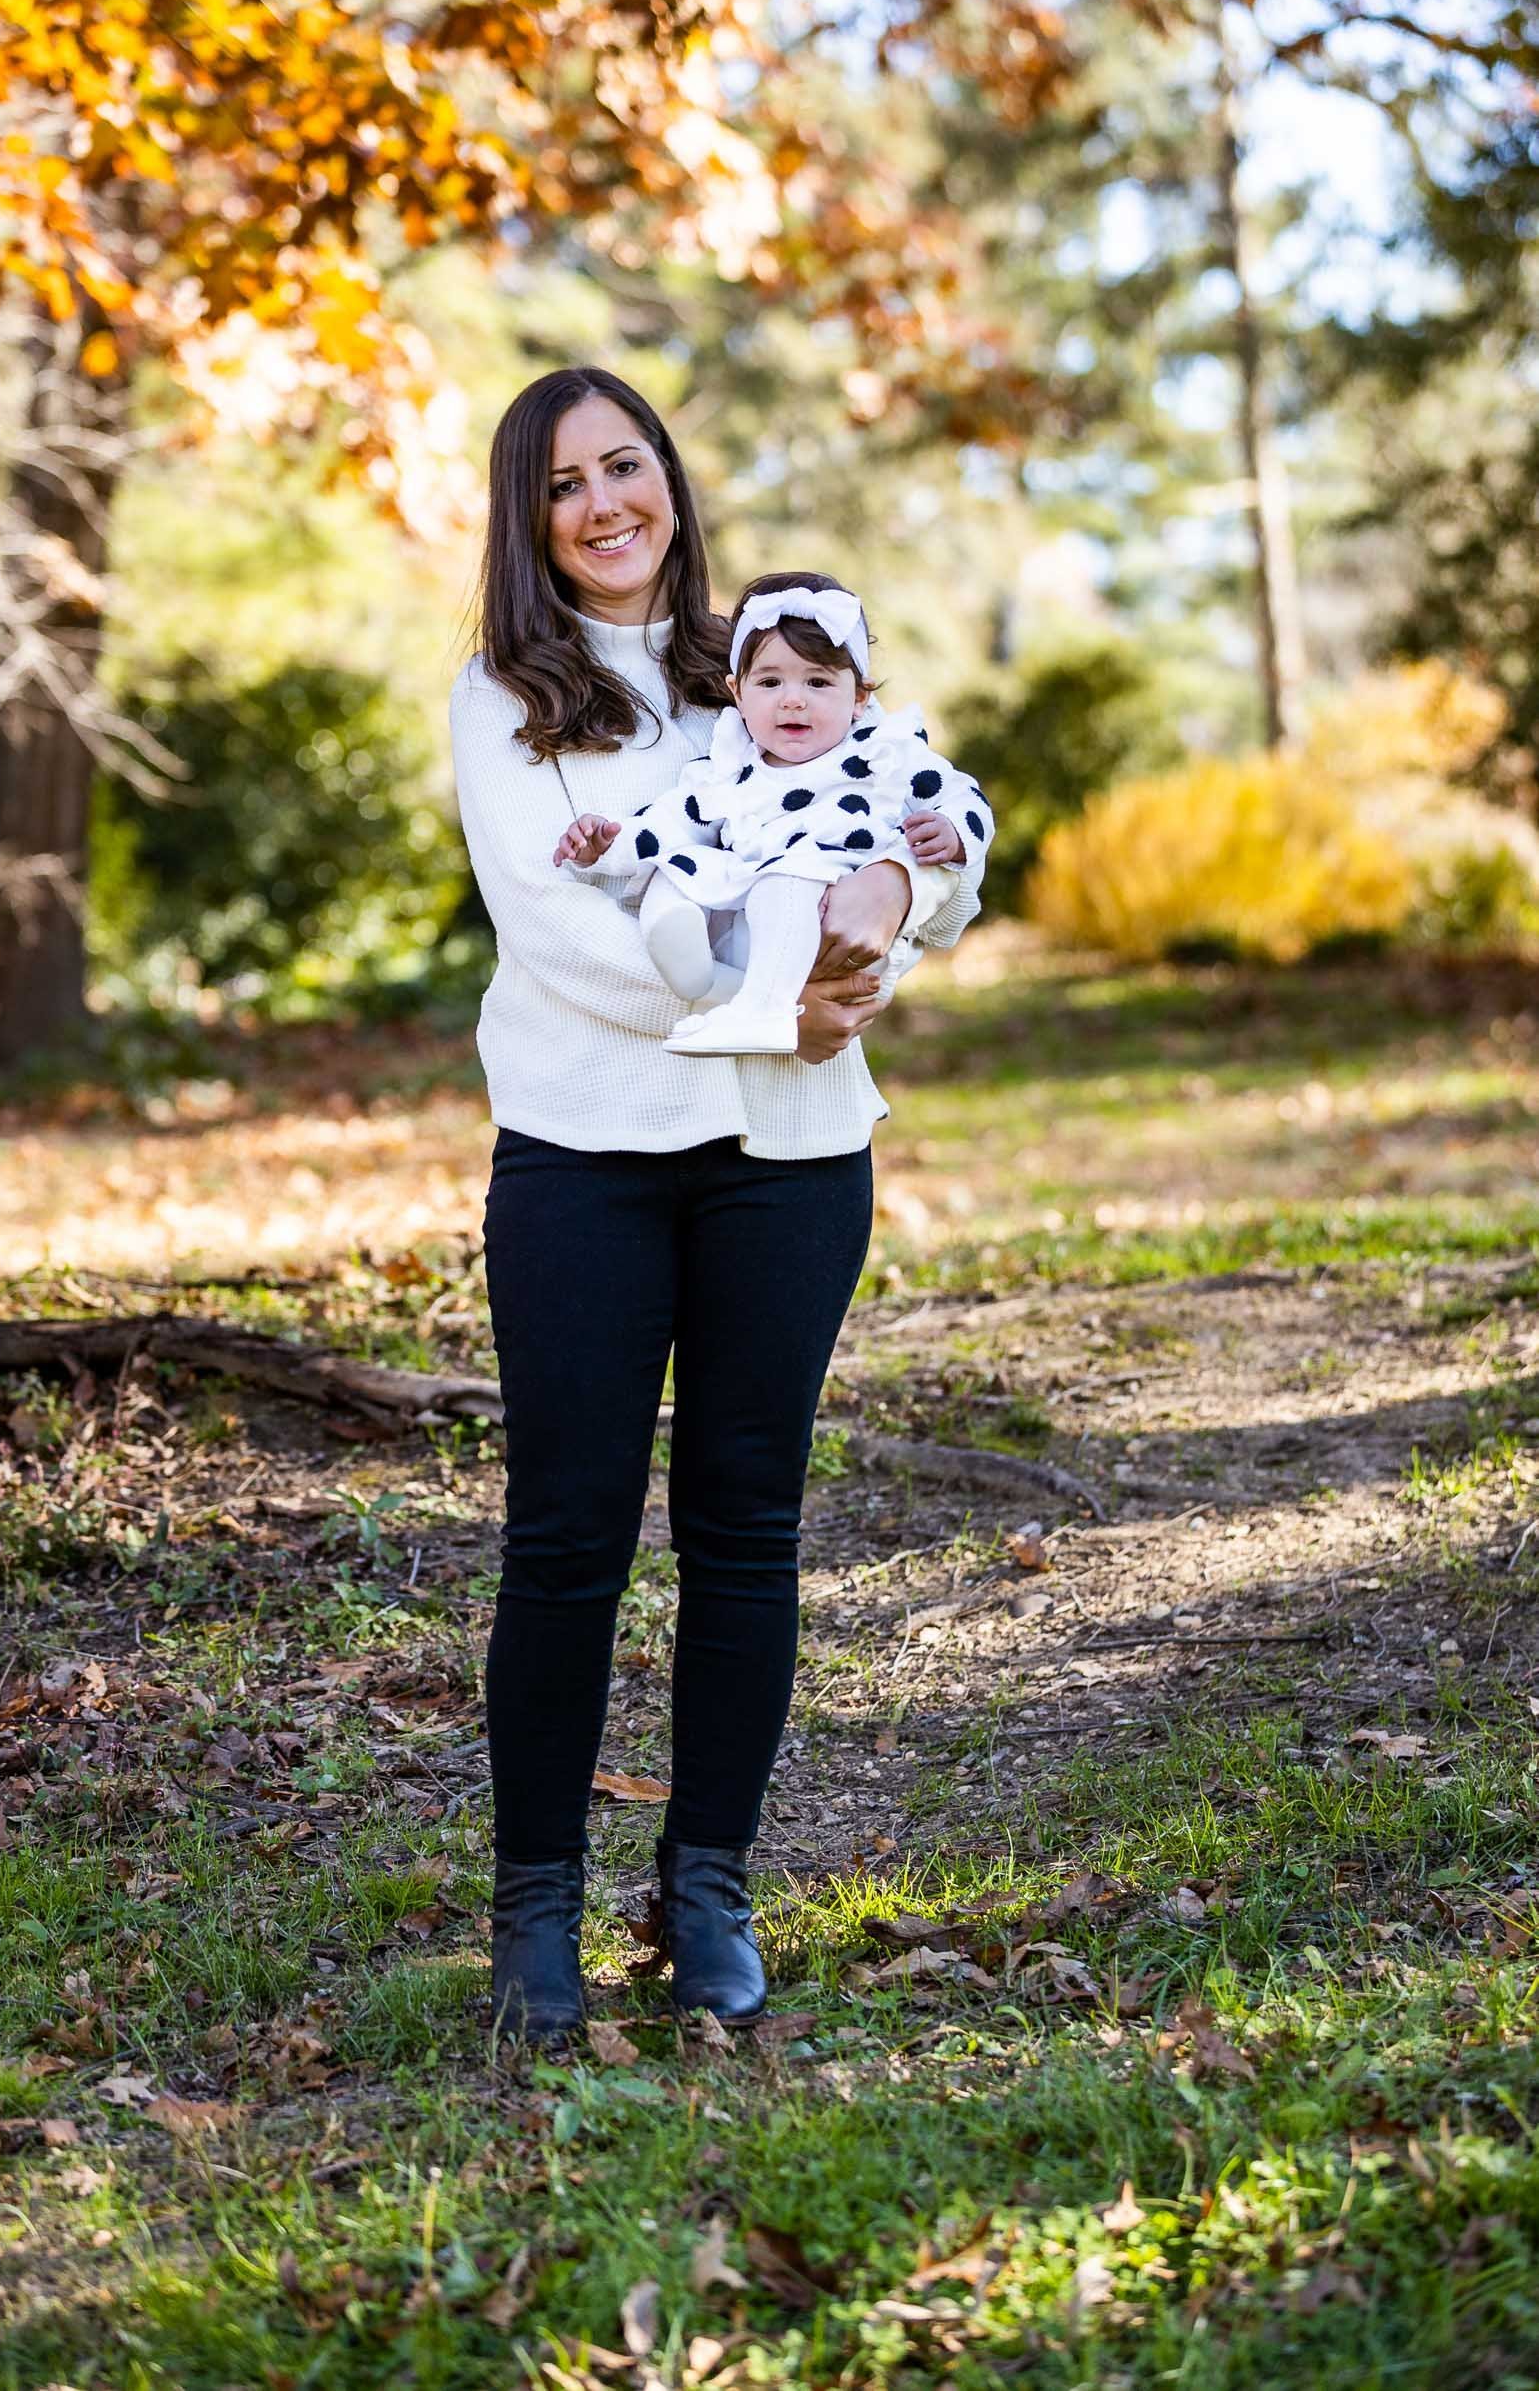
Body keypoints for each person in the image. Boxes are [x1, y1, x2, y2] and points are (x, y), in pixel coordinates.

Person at [449, 365, 990, 2043]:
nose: (606, 503)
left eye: (629, 466)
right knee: (567, 1540)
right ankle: (536, 1901)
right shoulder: (505, 697)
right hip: (583, 1158)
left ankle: (707, 1885)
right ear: (527, 520)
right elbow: (563, 941)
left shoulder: (767, 660)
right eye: (565, 484)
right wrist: (780, 998)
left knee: (746, 1528)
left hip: (788, 1163)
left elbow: (938, 839)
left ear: (668, 481)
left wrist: (892, 909)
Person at [552, 571, 993, 1056]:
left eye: (819, 681)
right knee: (674, 867)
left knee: (787, 877)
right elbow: (671, 822)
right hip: (750, 933)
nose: (793, 698)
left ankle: (762, 1012)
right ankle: (689, 967)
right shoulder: (730, 766)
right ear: (738, 693)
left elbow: (967, 798)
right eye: (769, 681)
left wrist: (952, 830)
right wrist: (607, 843)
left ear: (860, 697)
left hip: (833, 927)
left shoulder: (884, 753)